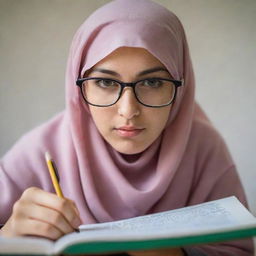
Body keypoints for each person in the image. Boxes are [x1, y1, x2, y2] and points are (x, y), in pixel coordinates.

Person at [0, 0, 254, 255]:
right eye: (105, 82)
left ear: (180, 86)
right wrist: (8, 236)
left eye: (153, 82)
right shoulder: (39, 151)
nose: (128, 110)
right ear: (79, 87)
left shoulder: (204, 149)